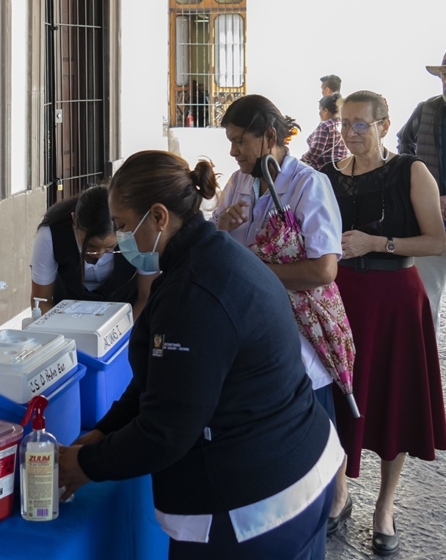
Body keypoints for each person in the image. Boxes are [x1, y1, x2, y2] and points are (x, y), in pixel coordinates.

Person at [58, 150, 343, 559]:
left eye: (122, 226)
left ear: (158, 217)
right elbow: (160, 381)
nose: (120, 241)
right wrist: (102, 433)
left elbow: (166, 431)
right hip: (301, 460)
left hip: (257, 506)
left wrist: (85, 464)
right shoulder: (210, 254)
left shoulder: (195, 293)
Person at [321, 90, 446, 554]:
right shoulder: (327, 176)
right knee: (336, 397)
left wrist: (377, 243)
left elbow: (435, 242)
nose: (351, 133)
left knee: (393, 401)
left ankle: (385, 507)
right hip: (339, 300)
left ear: (384, 126)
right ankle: (339, 493)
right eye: (345, 124)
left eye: (361, 124)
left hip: (395, 299)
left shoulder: (411, 172)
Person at [214, 94, 343, 427]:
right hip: (248, 334)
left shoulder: (308, 185)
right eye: (230, 142)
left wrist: (254, 274)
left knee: (313, 446)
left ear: (269, 137)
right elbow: (214, 249)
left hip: (297, 338)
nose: (233, 152)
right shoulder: (238, 183)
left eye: (239, 141)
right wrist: (221, 226)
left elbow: (324, 270)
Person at [29, 185, 157, 316]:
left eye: (110, 248)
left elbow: (147, 296)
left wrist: (127, 331)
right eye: (90, 246)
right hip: (66, 316)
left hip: (126, 313)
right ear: (74, 221)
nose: (99, 255)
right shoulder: (49, 235)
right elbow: (41, 300)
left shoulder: (138, 233)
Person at [397, 51, 446, 329]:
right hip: (431, 221)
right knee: (426, 297)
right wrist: (423, 189)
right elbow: (405, 145)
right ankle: (425, 367)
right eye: (445, 74)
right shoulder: (426, 110)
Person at [301, 93, 349, 170]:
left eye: (320, 110)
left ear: (325, 110)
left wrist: (302, 160)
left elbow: (316, 150)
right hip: (341, 168)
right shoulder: (344, 125)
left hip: (324, 169)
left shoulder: (325, 125)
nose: (319, 113)